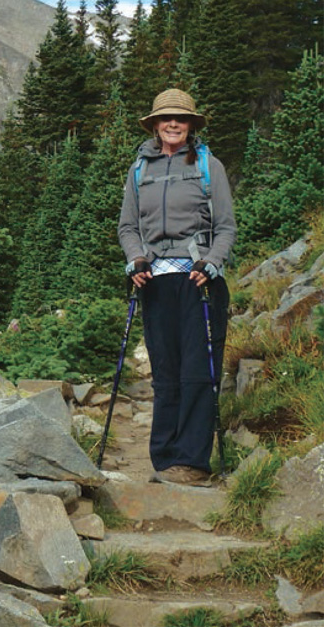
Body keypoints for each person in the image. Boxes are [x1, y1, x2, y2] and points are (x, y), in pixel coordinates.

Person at [118, 88, 236, 486]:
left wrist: (212, 263)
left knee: (198, 371)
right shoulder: (140, 170)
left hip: (199, 281)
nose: (172, 124)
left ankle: (193, 462)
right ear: (154, 124)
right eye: (165, 118)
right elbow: (128, 227)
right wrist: (135, 259)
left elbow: (225, 228)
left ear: (191, 125)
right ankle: (165, 458)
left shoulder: (208, 165)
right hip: (155, 283)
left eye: (180, 119)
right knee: (165, 372)